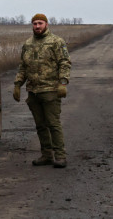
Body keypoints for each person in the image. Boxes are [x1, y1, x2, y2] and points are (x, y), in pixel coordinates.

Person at [13, 13, 71, 168]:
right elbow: (23, 67)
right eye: (34, 24)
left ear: (46, 24)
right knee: (40, 125)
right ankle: (46, 155)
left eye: (40, 23)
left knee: (53, 124)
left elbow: (64, 62)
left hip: (50, 90)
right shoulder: (28, 44)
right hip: (33, 91)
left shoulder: (56, 42)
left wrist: (63, 82)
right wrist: (17, 84)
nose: (37, 26)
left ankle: (60, 155)